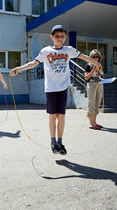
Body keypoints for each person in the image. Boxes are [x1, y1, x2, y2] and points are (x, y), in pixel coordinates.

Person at [10, 25, 102, 155]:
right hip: (51, 89)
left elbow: (83, 56)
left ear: (65, 38)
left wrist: (96, 63)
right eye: (57, 36)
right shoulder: (46, 51)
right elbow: (33, 64)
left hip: (63, 88)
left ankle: (60, 142)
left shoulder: (68, 50)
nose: (59, 38)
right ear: (52, 37)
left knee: (62, 116)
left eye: (62, 36)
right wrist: (18, 69)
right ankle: (53, 142)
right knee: (53, 116)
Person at [85, 49, 104, 130]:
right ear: (91, 57)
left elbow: (101, 76)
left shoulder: (99, 65)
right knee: (91, 103)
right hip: (92, 84)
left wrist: (104, 78)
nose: (95, 58)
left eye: (97, 57)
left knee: (97, 103)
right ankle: (92, 124)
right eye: (94, 57)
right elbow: (86, 77)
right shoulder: (89, 65)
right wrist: (93, 71)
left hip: (99, 84)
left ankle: (95, 122)